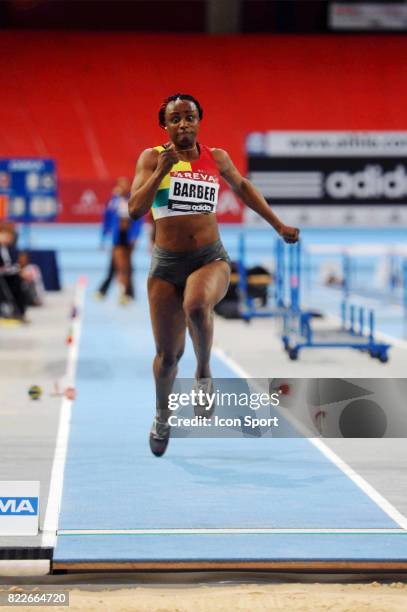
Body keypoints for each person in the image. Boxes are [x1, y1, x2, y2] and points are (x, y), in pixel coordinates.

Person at [128, 93, 299, 457]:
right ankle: (162, 416)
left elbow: (244, 188)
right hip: (166, 264)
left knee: (196, 305)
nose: (183, 124)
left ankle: (204, 374)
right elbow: (134, 209)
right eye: (175, 119)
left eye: (189, 117)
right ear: (165, 125)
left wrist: (278, 224)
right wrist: (161, 170)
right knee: (167, 356)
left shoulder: (216, 157)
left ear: (199, 120)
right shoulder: (151, 157)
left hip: (210, 258)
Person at [96, 177, 144, 304]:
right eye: (121, 185)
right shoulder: (114, 201)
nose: (123, 187)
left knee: (124, 265)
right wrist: (103, 237)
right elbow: (107, 219)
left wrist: (135, 236)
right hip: (117, 236)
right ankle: (124, 293)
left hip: (129, 237)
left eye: (125, 185)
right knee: (120, 265)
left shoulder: (132, 200)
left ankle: (121, 292)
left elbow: (138, 220)